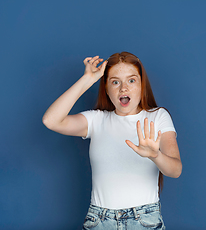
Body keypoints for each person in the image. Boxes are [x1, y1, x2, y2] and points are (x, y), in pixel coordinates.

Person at [42, 52, 182, 230]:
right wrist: (87, 79)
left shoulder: (157, 117)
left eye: (131, 80)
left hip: (144, 221)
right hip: (99, 221)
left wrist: (155, 155)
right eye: (115, 82)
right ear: (107, 89)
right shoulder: (96, 120)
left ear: (141, 85)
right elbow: (51, 121)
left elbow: (175, 170)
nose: (123, 88)